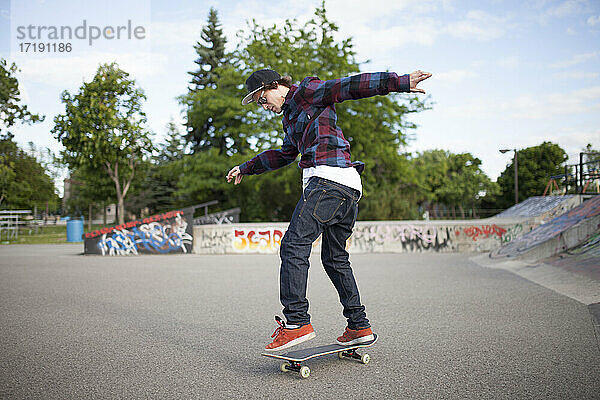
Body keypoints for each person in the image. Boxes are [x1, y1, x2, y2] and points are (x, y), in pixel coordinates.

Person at [226, 68, 431, 351]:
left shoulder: (308, 92)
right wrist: (247, 167)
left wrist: (398, 83)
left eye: (262, 100)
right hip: (347, 188)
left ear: (274, 86)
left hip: (327, 182)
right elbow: (285, 154)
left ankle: (296, 322)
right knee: (335, 258)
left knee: (294, 245)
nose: (264, 107)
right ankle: (359, 325)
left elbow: (349, 86)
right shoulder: (290, 118)